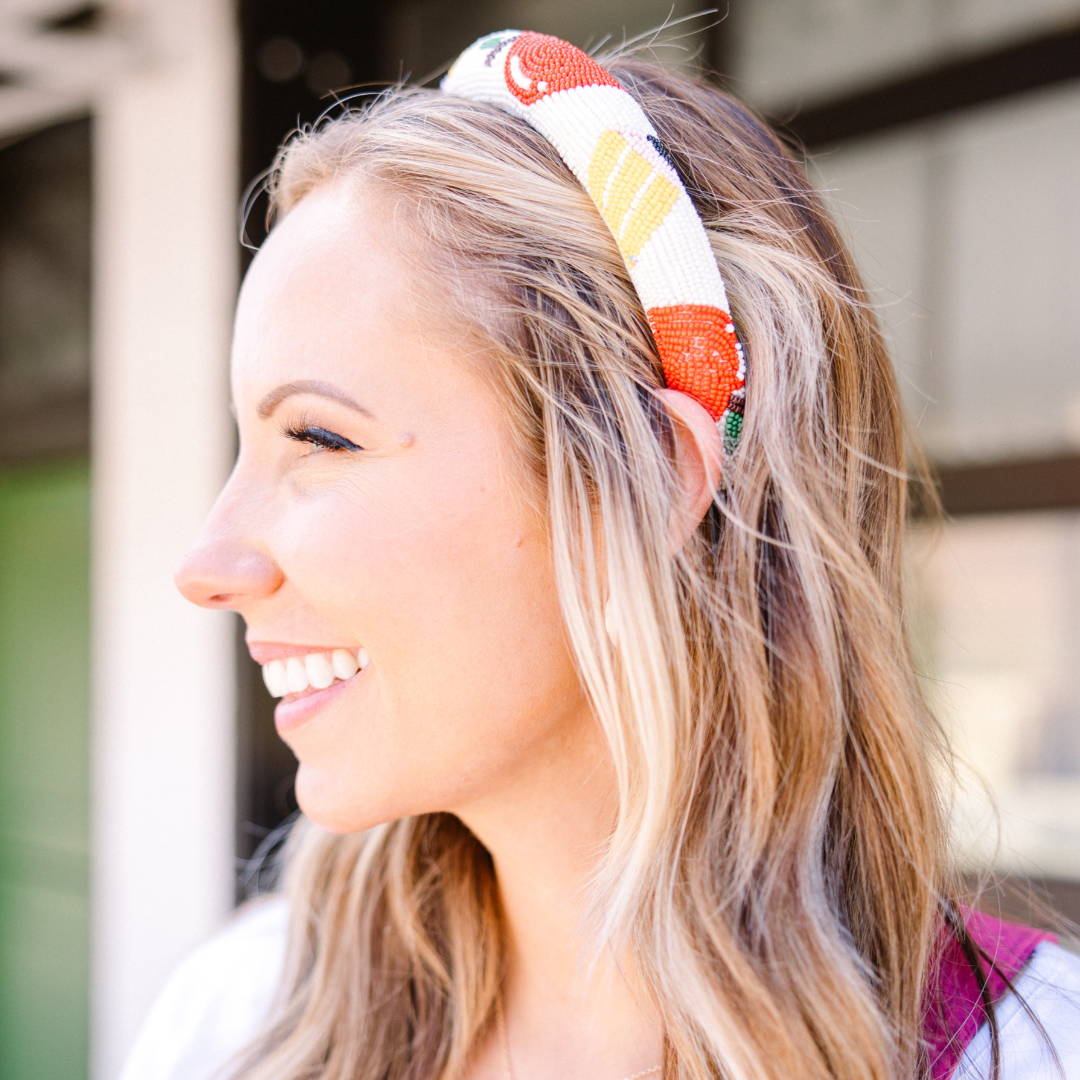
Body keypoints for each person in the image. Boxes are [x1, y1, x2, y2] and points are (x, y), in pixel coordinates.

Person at [126, 29, 1080, 1080]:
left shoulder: (1034, 1054)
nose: (206, 563)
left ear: (652, 479)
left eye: (317, 437)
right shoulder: (239, 1021)